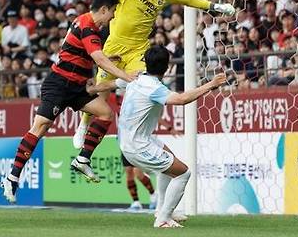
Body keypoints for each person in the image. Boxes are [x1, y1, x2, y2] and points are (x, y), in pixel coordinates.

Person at [72, 0, 234, 162]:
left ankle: (140, 133)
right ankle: (83, 125)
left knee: (141, 82)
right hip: (114, 46)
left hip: (138, 50)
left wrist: (213, 7)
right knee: (101, 92)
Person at [1, 0, 137, 203]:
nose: (111, 18)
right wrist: (126, 76)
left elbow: (86, 54)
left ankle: (83, 159)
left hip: (77, 87)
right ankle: (12, 177)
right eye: (111, 12)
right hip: (59, 84)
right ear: (103, 9)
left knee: (105, 113)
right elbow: (99, 60)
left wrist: (108, 56)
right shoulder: (88, 27)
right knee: (40, 127)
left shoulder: (83, 22)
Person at [88, 46, 227, 227]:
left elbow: (110, 85)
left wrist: (92, 90)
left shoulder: (135, 78)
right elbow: (181, 99)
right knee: (183, 173)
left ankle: (162, 209)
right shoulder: (153, 87)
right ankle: (163, 219)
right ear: (168, 67)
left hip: (135, 139)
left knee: (170, 162)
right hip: (137, 145)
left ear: (145, 62)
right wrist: (211, 85)